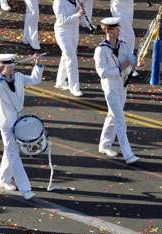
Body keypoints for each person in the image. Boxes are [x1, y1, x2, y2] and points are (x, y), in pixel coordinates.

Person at [0, 53, 44, 200]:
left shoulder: (18, 76)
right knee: (13, 154)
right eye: (9, 65)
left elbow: (34, 80)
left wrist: (37, 65)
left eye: (12, 64)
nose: (12, 66)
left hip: (18, 121)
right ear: (2, 66)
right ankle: (25, 189)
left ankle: (3, 180)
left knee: (10, 152)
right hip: (6, 123)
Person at [94, 17, 143, 164]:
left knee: (113, 116)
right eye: (115, 29)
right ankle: (128, 155)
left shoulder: (122, 45)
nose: (118, 30)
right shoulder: (100, 50)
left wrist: (139, 63)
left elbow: (132, 60)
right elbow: (102, 73)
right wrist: (120, 69)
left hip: (122, 86)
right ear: (108, 30)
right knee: (120, 120)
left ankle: (104, 144)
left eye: (118, 28)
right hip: (110, 88)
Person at [53, 0, 86, 97]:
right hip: (63, 32)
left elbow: (78, 12)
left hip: (74, 30)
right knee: (71, 58)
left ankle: (60, 82)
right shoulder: (58, 2)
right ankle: (74, 87)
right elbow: (61, 19)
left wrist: (82, 9)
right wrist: (77, 15)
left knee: (66, 56)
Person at [110, 0, 138, 77]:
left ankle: (119, 63)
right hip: (118, 8)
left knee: (122, 36)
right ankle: (127, 66)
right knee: (129, 36)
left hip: (128, 6)